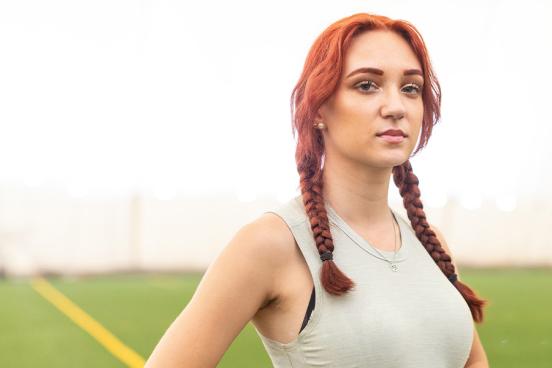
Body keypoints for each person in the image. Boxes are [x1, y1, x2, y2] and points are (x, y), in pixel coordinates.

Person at [145, 12, 489, 367]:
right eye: (367, 85)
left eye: (410, 88)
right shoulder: (270, 245)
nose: (396, 107)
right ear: (319, 107)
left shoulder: (431, 243)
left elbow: (474, 362)